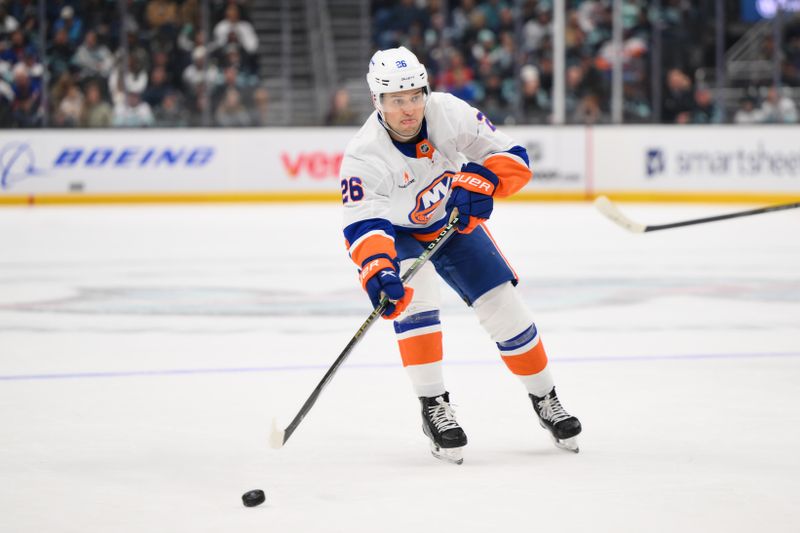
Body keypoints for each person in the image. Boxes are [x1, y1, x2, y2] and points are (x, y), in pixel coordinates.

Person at [339, 47, 581, 465]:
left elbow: (514, 159)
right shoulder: (363, 156)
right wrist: (378, 269)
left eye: (415, 95)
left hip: (453, 220)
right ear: (376, 101)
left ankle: (546, 398)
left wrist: (484, 180)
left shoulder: (448, 111)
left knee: (505, 309)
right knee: (417, 308)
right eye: (396, 100)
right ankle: (433, 406)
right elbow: (364, 225)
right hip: (398, 233)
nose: (409, 108)